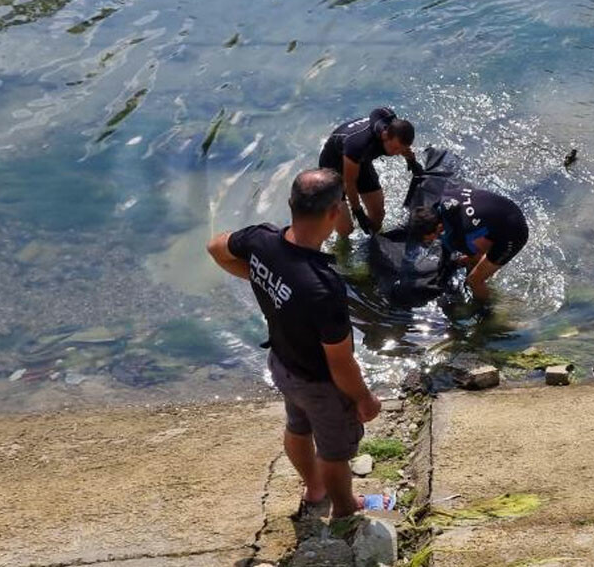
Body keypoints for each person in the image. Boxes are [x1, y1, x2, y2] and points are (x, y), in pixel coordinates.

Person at [206, 168, 381, 519]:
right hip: (319, 384)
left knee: (297, 428)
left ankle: (314, 489)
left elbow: (216, 247)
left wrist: (257, 274)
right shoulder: (323, 287)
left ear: (291, 204)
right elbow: (341, 363)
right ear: (334, 213)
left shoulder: (261, 240)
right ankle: (346, 510)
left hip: (283, 365)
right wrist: (363, 397)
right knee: (334, 453)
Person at [410, 186, 528, 302]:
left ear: (439, 227)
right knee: (471, 258)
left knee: (473, 280)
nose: (426, 242)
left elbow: (474, 254)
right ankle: (484, 266)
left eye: (428, 239)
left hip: (514, 232)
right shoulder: (440, 199)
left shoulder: (458, 236)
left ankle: (487, 310)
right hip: (505, 210)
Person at [318, 107, 417, 237]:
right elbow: (349, 182)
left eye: (400, 150)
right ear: (385, 136)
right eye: (395, 148)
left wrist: (412, 162)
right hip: (333, 168)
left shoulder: (395, 131)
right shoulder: (358, 144)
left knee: (378, 214)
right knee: (345, 229)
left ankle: (372, 243)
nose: (396, 153)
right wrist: (358, 211)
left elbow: (403, 146)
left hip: (360, 162)